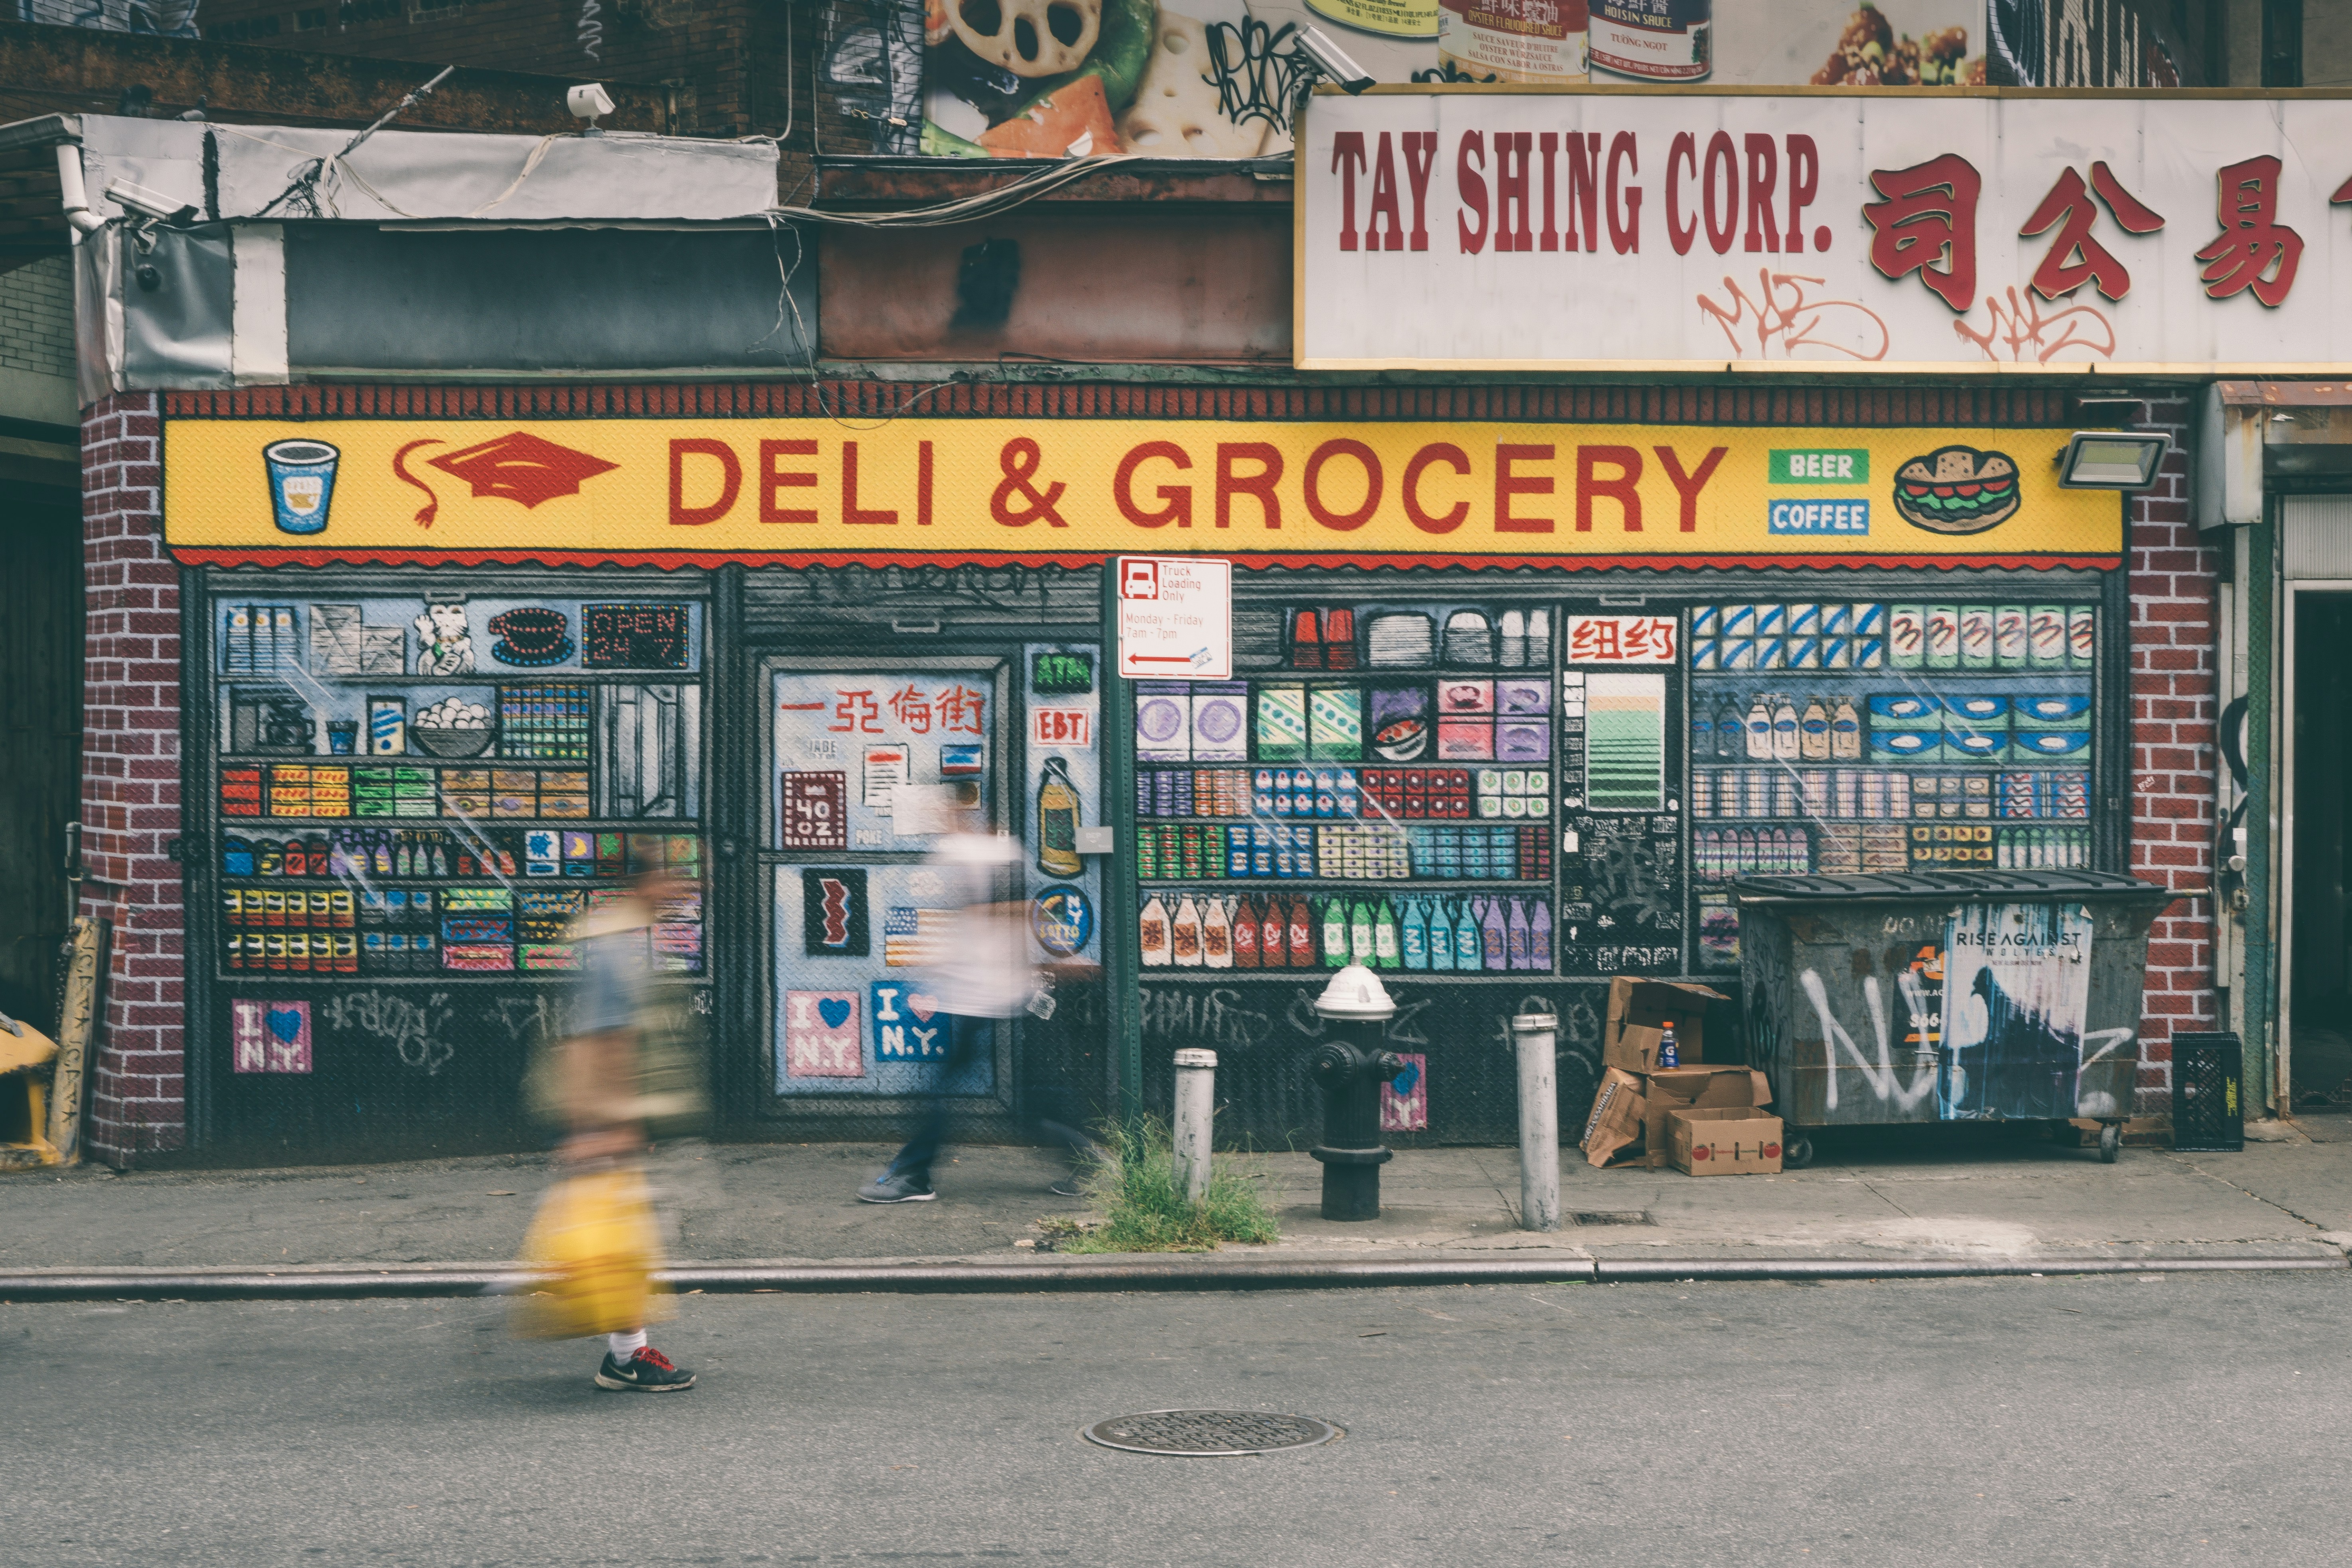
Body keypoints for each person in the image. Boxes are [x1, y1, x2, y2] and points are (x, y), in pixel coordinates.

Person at [857, 822, 1098, 1203]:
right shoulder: (993, 852)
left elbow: (1019, 909)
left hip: (988, 992)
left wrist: (1062, 954)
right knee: (1028, 1093)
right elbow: (1022, 911)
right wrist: (1063, 953)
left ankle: (915, 1176)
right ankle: (1087, 1167)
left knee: (953, 1092)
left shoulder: (970, 853)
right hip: (987, 992)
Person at [554, 871, 697, 1391]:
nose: (687, 891)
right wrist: (606, 1124)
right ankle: (626, 1356)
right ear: (648, 879)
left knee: (623, 1237)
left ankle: (626, 1352)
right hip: (607, 1117)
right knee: (620, 1244)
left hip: (610, 1115)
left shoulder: (623, 939)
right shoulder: (616, 947)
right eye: (677, 878)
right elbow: (598, 1041)